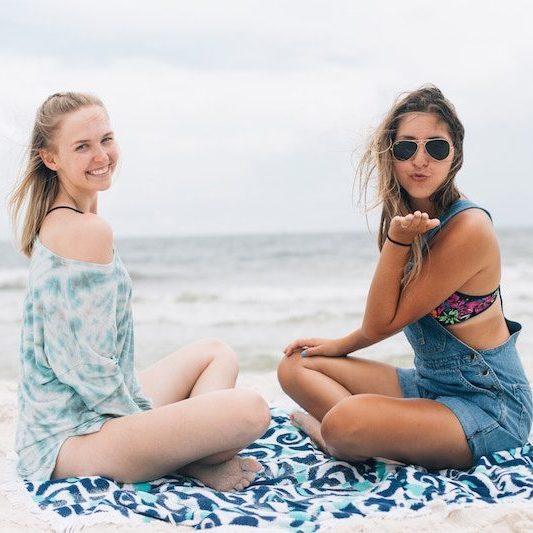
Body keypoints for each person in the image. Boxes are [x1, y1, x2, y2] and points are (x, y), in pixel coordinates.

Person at [10, 92, 271, 489]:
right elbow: (84, 365)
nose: (101, 156)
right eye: (82, 146)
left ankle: (186, 456)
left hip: (85, 416)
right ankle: (189, 460)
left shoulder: (70, 220)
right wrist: (146, 427)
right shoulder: (84, 231)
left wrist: (159, 427)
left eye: (106, 139)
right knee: (250, 410)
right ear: (51, 158)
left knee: (215, 352)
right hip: (69, 441)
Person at [278, 85, 532, 470]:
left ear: (455, 156)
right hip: (430, 386)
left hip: (489, 408)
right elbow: (387, 313)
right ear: (391, 156)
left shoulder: (469, 228)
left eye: (436, 147)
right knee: (297, 365)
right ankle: (361, 436)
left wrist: (397, 241)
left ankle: (342, 437)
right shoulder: (406, 223)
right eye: (406, 147)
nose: (421, 159)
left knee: (346, 421)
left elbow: (383, 323)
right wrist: (334, 346)